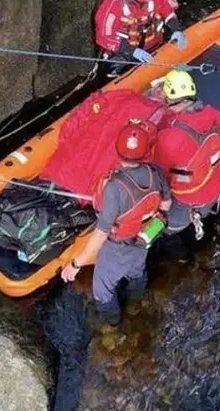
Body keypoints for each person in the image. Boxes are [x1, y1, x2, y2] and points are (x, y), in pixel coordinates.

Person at [60, 119, 171, 325]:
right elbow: (165, 205)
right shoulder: (155, 172)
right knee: (136, 270)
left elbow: (100, 234)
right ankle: (137, 301)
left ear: (118, 151)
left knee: (102, 290)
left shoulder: (115, 188)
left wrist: (76, 264)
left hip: (118, 245)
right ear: (145, 151)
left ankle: (114, 323)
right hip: (145, 236)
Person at [152, 70, 220, 239]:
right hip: (215, 188)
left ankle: (179, 254)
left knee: (165, 233)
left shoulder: (169, 136)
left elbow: (155, 174)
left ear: (168, 98)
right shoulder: (215, 116)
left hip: (184, 202)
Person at [94, 0, 187, 74]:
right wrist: (132, 51)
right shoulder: (113, 5)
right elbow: (104, 36)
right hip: (125, 53)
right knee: (111, 68)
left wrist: (175, 29)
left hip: (154, 46)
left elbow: (167, 7)